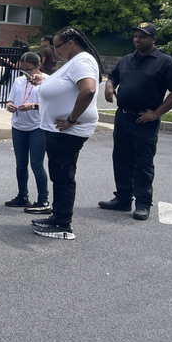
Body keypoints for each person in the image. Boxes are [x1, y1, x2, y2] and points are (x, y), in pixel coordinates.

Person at [99, 22, 172, 221]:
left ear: (153, 39)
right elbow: (112, 77)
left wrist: (156, 114)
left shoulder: (165, 62)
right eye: (136, 36)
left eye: (143, 37)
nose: (137, 40)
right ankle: (123, 199)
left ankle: (143, 203)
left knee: (143, 162)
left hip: (144, 119)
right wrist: (109, 86)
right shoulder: (126, 60)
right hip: (123, 116)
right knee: (121, 159)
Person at [29, 26, 103, 240]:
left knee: (63, 176)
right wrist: (45, 82)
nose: (56, 50)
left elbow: (88, 90)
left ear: (71, 43)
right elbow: (67, 87)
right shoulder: (75, 61)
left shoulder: (82, 61)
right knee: (59, 175)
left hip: (68, 131)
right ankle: (56, 216)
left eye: (58, 45)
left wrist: (71, 119)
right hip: (59, 130)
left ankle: (62, 225)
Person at [3, 52, 49, 212]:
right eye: (23, 70)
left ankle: (43, 200)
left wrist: (33, 106)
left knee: (37, 164)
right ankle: (22, 196)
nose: (26, 73)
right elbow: (11, 99)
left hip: (37, 127)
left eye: (29, 70)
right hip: (18, 125)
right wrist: (9, 105)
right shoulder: (19, 81)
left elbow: (52, 106)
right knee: (21, 164)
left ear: (38, 66)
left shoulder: (47, 81)